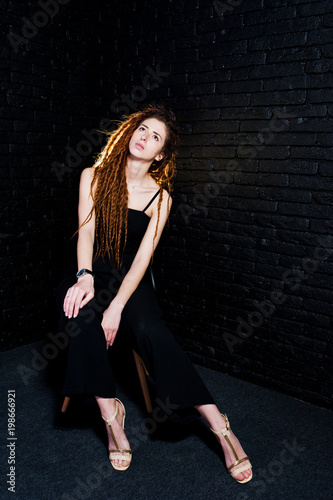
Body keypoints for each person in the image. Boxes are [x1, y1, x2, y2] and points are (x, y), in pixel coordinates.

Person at [58, 105, 252, 482]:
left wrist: (115, 307)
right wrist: (84, 277)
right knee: (81, 313)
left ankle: (218, 424)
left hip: (130, 277)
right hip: (90, 269)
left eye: (154, 137)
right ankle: (111, 415)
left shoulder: (160, 197)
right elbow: (86, 230)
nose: (143, 137)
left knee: (151, 331)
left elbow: (144, 256)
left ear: (160, 154)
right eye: (141, 129)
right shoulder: (92, 176)